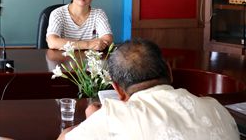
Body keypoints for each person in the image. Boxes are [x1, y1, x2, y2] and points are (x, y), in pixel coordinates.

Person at [59, 38, 239, 140]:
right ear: (169, 71)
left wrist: (92, 120)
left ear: (118, 90)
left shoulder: (112, 118)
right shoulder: (217, 109)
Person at [46, 0, 113, 51]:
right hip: (63, 58)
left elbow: (108, 40)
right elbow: (52, 42)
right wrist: (88, 44)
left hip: (91, 58)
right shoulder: (58, 13)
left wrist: (66, 43)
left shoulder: (99, 14)